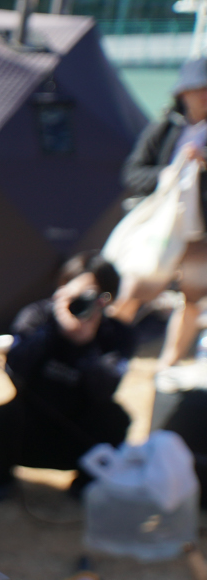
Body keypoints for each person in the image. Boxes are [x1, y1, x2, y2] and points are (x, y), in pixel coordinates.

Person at [0, 252, 134, 501]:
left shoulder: (117, 334)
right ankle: (2, 480)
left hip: (80, 431)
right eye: (74, 293)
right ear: (61, 290)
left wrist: (86, 344)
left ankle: (84, 484)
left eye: (93, 296)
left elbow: (104, 390)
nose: (82, 304)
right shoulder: (38, 317)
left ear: (107, 300)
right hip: (30, 425)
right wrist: (55, 330)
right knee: (0, 419)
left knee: (116, 420)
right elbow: (17, 369)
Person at [118, 57, 207, 365]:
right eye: (198, 88)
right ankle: (109, 351)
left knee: (191, 299)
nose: (204, 95)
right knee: (133, 291)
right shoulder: (166, 126)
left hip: (199, 233)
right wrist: (168, 176)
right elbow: (132, 174)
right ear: (183, 92)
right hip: (160, 228)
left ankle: (168, 367)